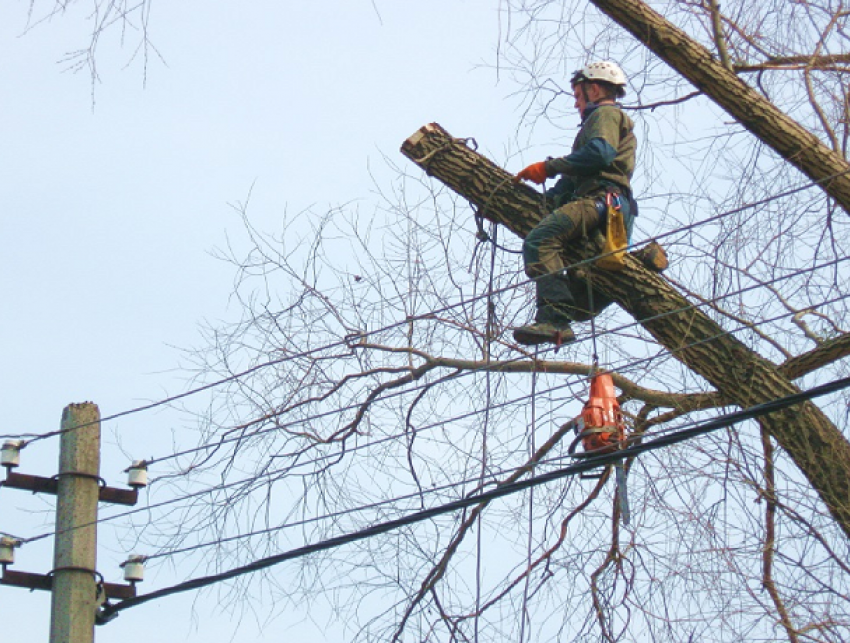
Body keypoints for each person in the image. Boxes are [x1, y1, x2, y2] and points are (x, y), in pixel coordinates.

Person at [512, 60, 638, 346]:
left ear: (593, 89)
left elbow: (600, 154)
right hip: (609, 206)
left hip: (601, 200)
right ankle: (565, 318)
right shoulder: (606, 119)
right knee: (581, 301)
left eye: (578, 96)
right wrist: (547, 195)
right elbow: (572, 182)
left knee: (539, 241)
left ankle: (553, 321)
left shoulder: (604, 114)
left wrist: (550, 166)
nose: (576, 105)